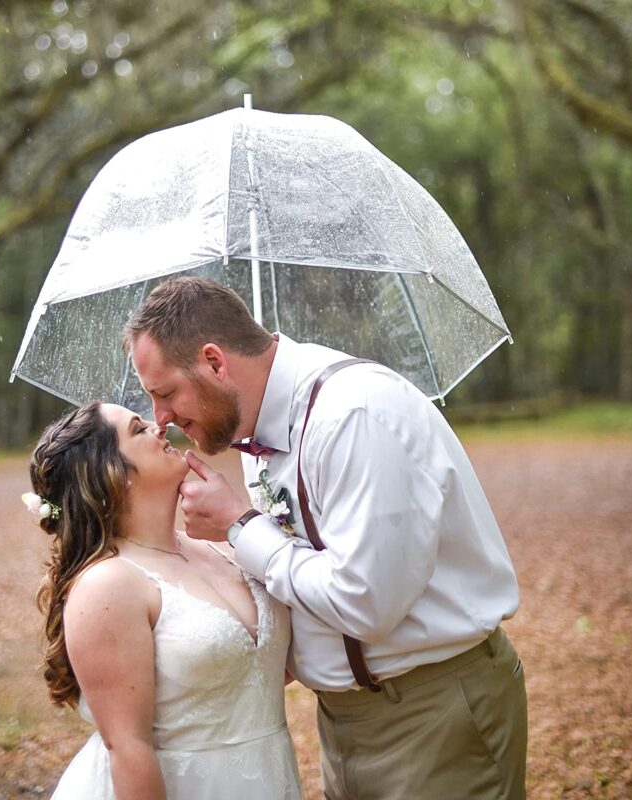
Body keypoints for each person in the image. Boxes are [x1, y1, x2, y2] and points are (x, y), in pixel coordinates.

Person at [123, 276, 528, 800]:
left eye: (165, 393)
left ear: (215, 362)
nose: (163, 419)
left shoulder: (353, 415)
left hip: (436, 711)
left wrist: (242, 528)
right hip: (342, 721)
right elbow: (297, 568)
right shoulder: (261, 437)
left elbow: (366, 604)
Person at [24, 401, 302, 799]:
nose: (159, 426)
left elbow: (259, 671)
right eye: (138, 429)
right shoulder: (108, 585)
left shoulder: (223, 550)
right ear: (110, 474)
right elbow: (128, 749)